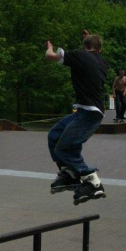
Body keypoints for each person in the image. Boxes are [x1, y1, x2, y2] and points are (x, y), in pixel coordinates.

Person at [45, 30, 109, 204]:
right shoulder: (103, 61)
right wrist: (87, 38)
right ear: (99, 49)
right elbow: (91, 49)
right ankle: (70, 174)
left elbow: (51, 56)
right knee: (54, 135)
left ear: (84, 47)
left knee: (63, 149)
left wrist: (49, 49)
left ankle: (94, 182)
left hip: (89, 114)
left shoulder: (79, 56)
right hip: (85, 112)